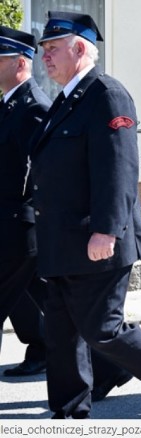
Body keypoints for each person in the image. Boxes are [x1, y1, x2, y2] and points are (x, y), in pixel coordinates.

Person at [30, 11, 141, 418]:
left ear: (79, 48)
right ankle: (70, 408)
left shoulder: (106, 93)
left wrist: (106, 230)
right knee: (61, 331)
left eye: (53, 49)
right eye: (43, 51)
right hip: (63, 238)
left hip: (95, 238)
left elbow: (119, 168)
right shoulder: (67, 98)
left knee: (103, 329)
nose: (45, 58)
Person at [0, 26, 49, 377]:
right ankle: (109, 364)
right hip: (11, 222)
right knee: (46, 299)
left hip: (20, 224)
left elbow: (41, 173)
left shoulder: (33, 107)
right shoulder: (8, 104)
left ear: (20, 63)